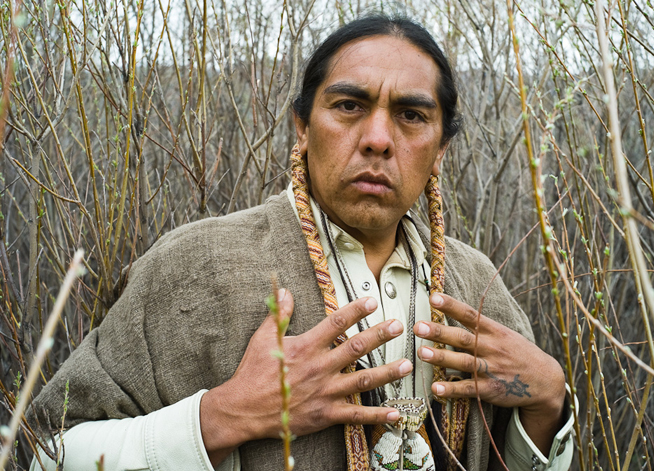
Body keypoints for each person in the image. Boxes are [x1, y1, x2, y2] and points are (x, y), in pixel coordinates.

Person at [31, 14, 575, 471]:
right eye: (349, 106)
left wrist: (547, 402)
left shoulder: (475, 285)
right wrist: (223, 417)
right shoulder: (195, 267)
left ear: (440, 151)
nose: (379, 140)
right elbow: (46, 453)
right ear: (302, 126)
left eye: (412, 116)